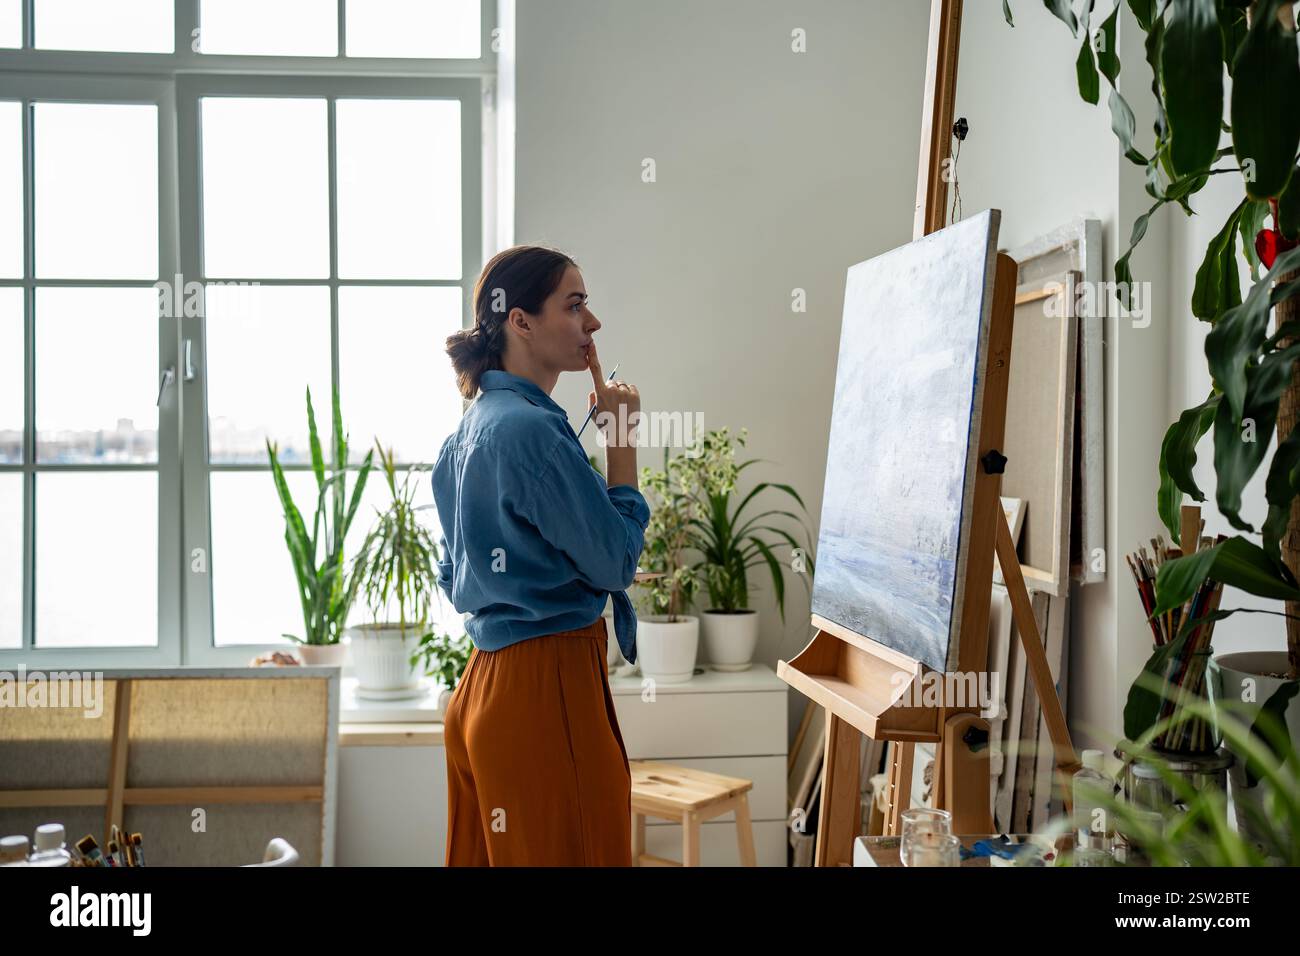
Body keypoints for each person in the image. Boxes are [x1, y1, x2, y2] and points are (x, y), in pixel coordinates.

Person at [432, 244, 650, 866]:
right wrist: (624, 439)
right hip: (546, 692)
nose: (593, 323)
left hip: (483, 691)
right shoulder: (530, 430)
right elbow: (614, 563)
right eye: (575, 305)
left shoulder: (467, 432)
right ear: (519, 321)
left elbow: (455, 577)